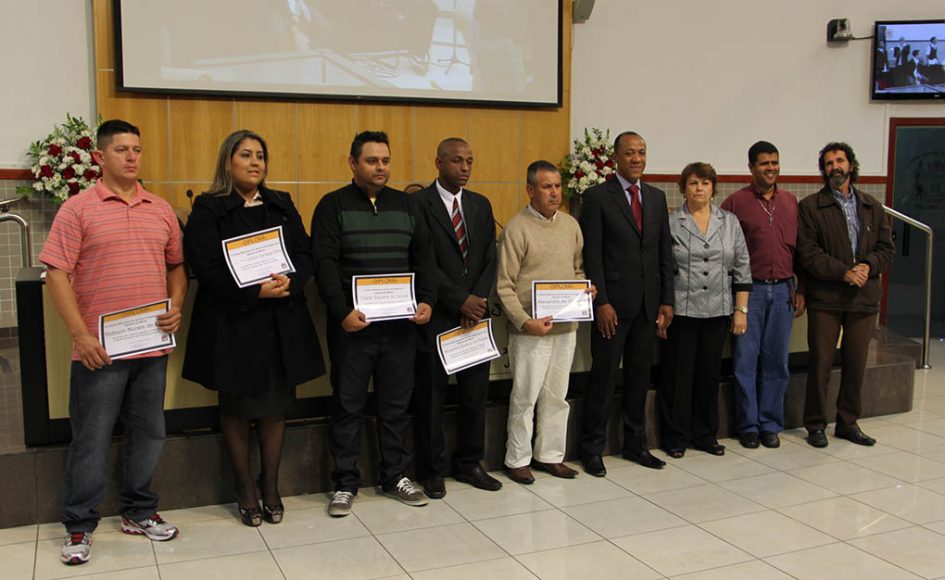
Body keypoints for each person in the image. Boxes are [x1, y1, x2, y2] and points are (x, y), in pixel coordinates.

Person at [40, 119, 187, 566]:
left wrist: (176, 303)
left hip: (151, 346)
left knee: (149, 432)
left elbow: (177, 265)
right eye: (122, 150)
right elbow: (57, 274)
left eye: (137, 149)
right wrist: (80, 335)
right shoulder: (78, 209)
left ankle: (138, 510)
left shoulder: (159, 208)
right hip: (98, 350)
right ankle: (79, 524)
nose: (131, 157)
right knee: (91, 436)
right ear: (100, 157)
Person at [182, 130, 325, 527]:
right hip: (233, 324)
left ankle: (271, 486)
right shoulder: (209, 208)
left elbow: (304, 253)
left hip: (280, 322)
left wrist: (289, 282)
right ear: (228, 161)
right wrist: (252, 290)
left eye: (260, 155)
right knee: (236, 408)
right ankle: (244, 487)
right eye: (246, 155)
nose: (255, 162)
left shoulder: (281, 203)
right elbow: (204, 265)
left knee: (276, 407)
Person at [312, 130, 436, 516]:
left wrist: (427, 301)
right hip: (354, 328)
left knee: (395, 405)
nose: (380, 167)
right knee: (347, 406)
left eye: (385, 160)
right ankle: (345, 483)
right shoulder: (332, 206)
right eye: (371, 161)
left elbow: (424, 259)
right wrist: (341, 312)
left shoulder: (407, 205)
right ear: (353, 163)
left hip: (399, 328)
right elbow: (325, 266)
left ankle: (395, 475)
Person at [578, 131, 675, 475]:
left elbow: (664, 251)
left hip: (648, 307)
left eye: (642, 153)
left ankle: (636, 445)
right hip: (612, 308)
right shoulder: (596, 197)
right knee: (603, 379)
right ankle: (592, 449)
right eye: (630, 153)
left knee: (638, 378)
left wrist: (667, 300)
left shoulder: (656, 197)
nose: (636, 159)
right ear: (616, 157)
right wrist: (601, 302)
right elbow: (592, 255)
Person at [412, 138, 501, 499]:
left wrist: (477, 299)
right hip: (438, 314)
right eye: (456, 161)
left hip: (474, 316)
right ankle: (431, 470)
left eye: (469, 161)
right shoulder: (418, 204)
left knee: (474, 394)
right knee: (431, 397)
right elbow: (422, 262)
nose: (464, 167)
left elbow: (488, 258)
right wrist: (458, 299)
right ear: (438, 162)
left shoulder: (480, 205)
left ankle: (469, 462)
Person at [496, 160, 595, 484]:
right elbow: (504, 285)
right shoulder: (517, 227)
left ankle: (550, 455)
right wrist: (525, 322)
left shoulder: (571, 225)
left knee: (557, 395)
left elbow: (578, 270)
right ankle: (517, 459)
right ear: (530, 190)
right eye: (546, 186)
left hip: (566, 327)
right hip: (531, 331)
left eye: (557, 186)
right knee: (525, 396)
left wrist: (585, 292)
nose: (554, 193)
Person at [797, 142, 894, 448]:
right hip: (826, 298)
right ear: (823, 170)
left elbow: (886, 249)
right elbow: (809, 253)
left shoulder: (871, 206)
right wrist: (844, 271)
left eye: (840, 161)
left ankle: (848, 423)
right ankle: (815, 424)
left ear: (851, 165)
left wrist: (867, 265)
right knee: (821, 362)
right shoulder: (811, 207)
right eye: (828, 163)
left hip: (863, 298)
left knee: (856, 363)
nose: (834, 166)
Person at [660, 163, 751, 458]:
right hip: (682, 312)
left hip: (718, 310)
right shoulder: (672, 222)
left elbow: (742, 267)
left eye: (705, 183)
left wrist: (741, 310)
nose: (699, 188)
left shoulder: (730, 223)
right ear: (683, 188)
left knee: (709, 375)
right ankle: (676, 436)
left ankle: (705, 434)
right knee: (679, 376)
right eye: (693, 183)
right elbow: (663, 269)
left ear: (714, 188)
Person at [721, 141, 805, 450]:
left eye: (774, 163)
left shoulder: (790, 202)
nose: (771, 168)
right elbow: (725, 255)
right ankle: (748, 425)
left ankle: (770, 423)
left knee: (776, 362)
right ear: (751, 168)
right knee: (745, 361)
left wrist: (800, 289)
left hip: (783, 289)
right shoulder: (735, 203)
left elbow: (799, 251)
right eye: (764, 164)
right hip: (749, 293)